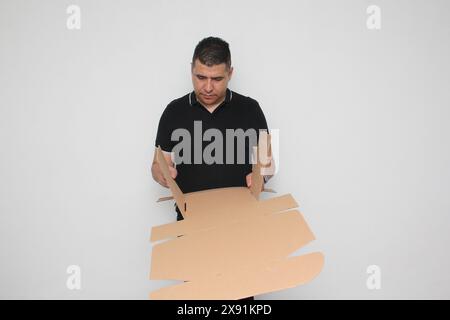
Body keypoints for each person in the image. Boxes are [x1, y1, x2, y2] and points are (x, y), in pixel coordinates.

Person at [151, 36, 272, 299]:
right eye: (200, 77)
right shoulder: (173, 111)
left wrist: (261, 173)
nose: (207, 87)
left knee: (239, 299)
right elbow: (158, 164)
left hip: (239, 226)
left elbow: (269, 162)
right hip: (191, 225)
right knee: (196, 299)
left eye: (217, 79)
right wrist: (162, 173)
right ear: (191, 70)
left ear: (230, 73)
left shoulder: (250, 109)